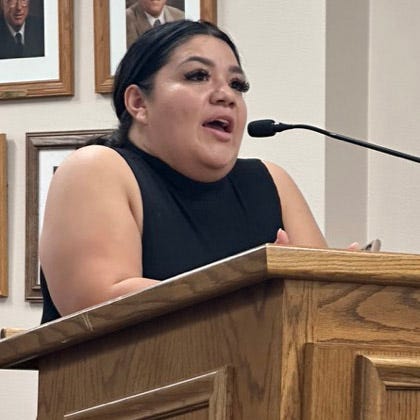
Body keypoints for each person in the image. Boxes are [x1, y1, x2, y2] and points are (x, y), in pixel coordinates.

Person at [39, 20, 327, 323]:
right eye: (198, 76)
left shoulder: (271, 182)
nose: (225, 95)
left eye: (237, 85)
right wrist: (262, 296)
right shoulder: (97, 168)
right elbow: (100, 307)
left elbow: (322, 303)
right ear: (138, 103)